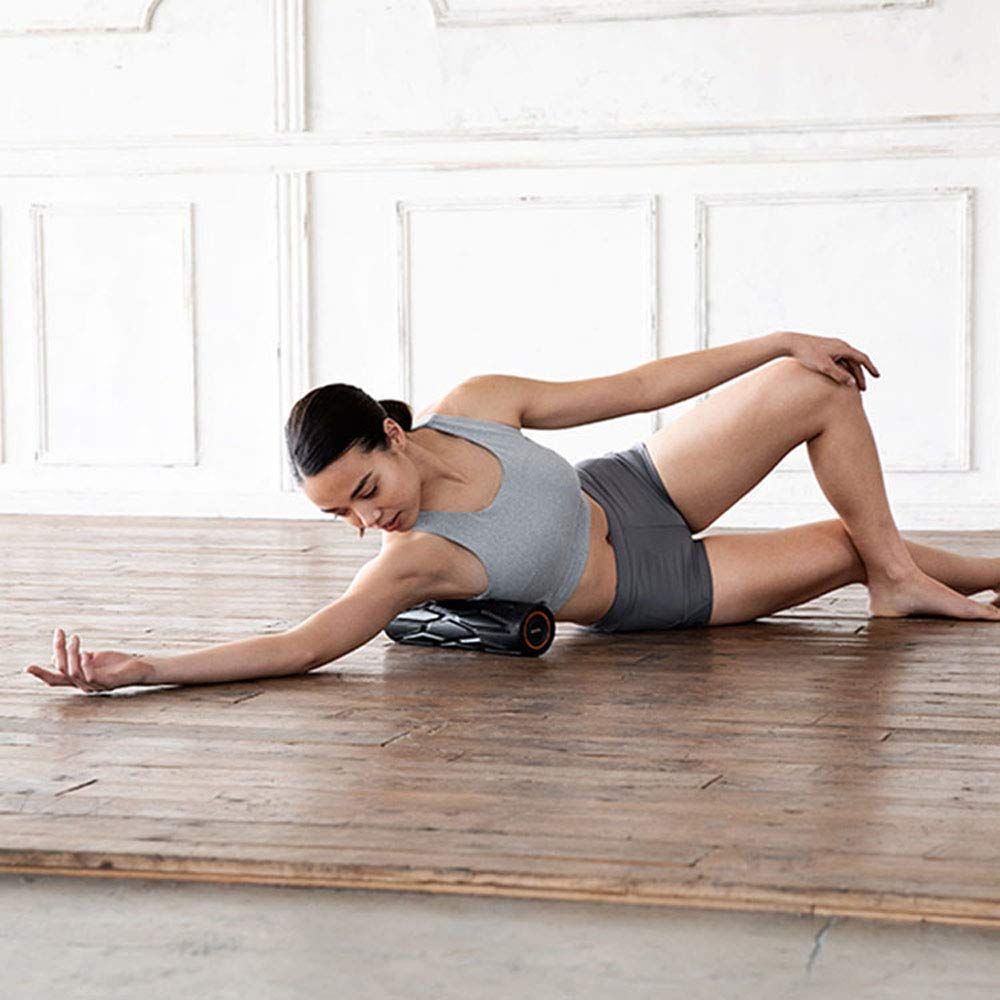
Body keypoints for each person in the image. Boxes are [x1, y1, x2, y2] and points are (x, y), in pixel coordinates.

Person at [26, 329, 1000, 693]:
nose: (368, 523)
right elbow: (300, 644)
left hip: (636, 484)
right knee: (837, 544)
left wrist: (777, 341)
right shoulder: (415, 562)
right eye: (342, 519)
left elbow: (638, 385)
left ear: (392, 434)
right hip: (649, 584)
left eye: (364, 492)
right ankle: (898, 575)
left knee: (812, 382)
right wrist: (145, 669)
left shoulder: (478, 403)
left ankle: (900, 578)